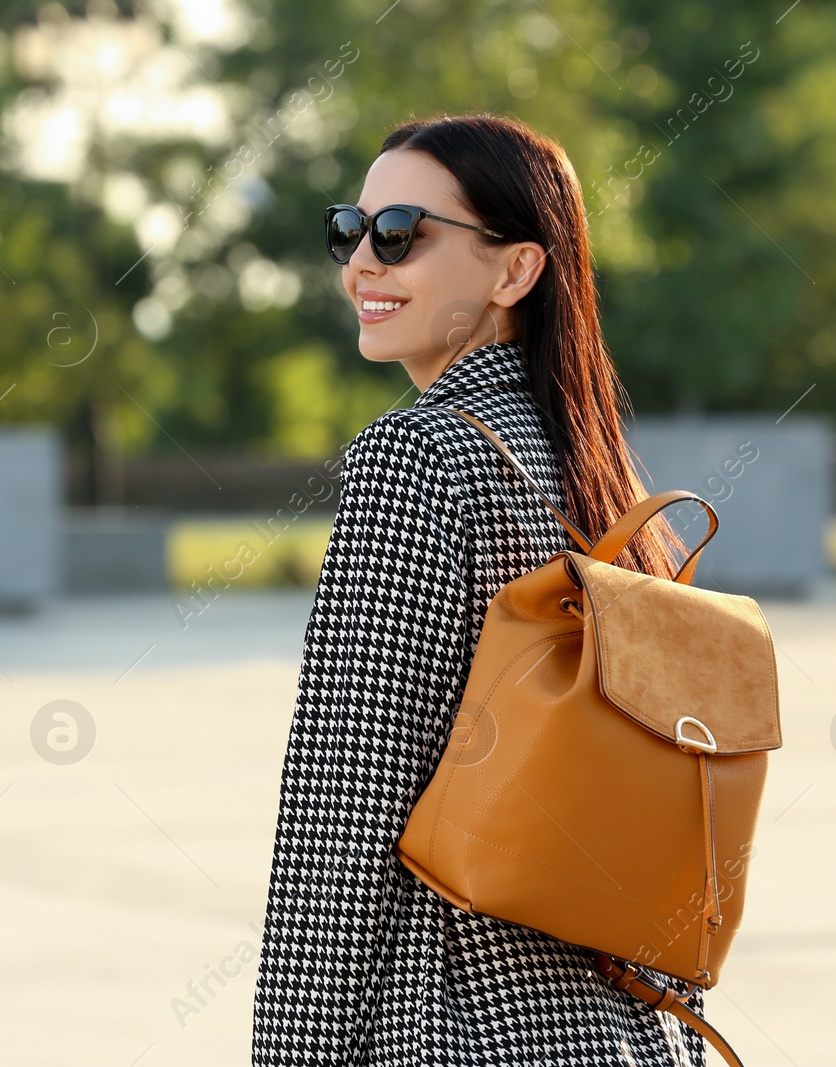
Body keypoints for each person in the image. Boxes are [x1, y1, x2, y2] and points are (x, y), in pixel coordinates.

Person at [250, 112, 699, 1066]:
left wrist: (291, 1051)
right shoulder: (590, 468)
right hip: (614, 1023)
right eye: (349, 230)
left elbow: (344, 803)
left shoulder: (417, 456)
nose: (364, 262)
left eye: (401, 233)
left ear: (514, 271)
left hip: (449, 1014)